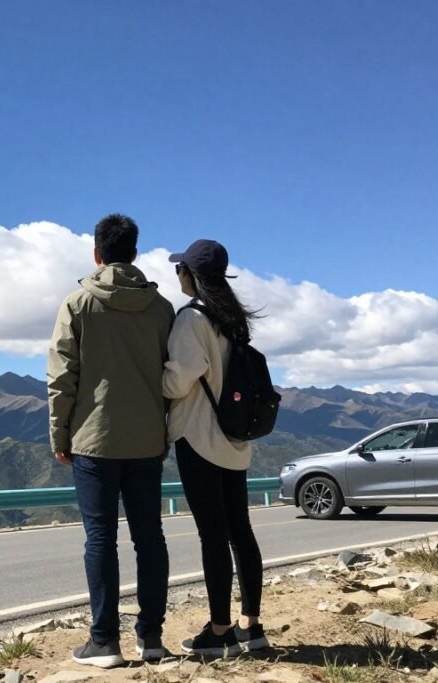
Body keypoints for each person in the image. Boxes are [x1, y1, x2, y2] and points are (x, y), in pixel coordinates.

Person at [47, 213, 176, 668]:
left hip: (93, 440)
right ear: (135, 253)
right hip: (146, 440)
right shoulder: (161, 309)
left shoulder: (78, 303)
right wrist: (165, 432)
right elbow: (172, 377)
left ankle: (104, 641)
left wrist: (59, 434)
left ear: (97, 253)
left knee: (100, 538)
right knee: (150, 537)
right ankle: (152, 638)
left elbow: (62, 377)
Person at [163, 239, 267, 656]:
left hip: (199, 439)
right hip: (234, 439)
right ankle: (252, 626)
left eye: (179, 269)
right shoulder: (234, 320)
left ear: (191, 274)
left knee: (212, 535)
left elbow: (180, 378)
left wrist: (151, 383)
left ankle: (220, 631)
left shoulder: (192, 319)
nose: (178, 276)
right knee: (240, 530)